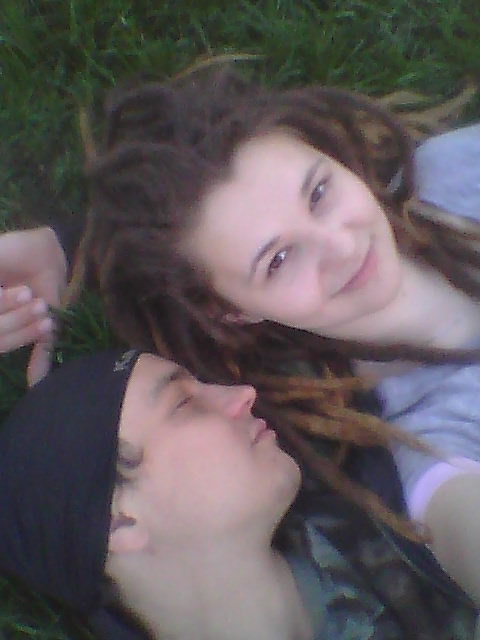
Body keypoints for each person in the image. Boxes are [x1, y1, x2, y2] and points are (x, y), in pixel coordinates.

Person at [1, 63, 480, 601]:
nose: (341, 247)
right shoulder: (433, 445)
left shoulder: (454, 168)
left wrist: (64, 247)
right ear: (232, 311)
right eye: (278, 261)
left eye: (319, 192)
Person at [0, 349, 477, 640]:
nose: (241, 393)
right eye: (184, 404)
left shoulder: (354, 462)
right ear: (120, 523)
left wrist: (65, 246)